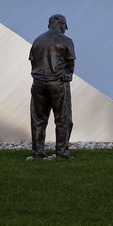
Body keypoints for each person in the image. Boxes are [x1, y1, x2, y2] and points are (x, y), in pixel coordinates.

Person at [29, 13, 75, 160]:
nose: (65, 30)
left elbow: (32, 61)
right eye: (64, 27)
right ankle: (61, 152)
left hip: (38, 83)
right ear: (61, 25)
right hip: (58, 84)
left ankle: (38, 152)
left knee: (38, 119)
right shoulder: (66, 41)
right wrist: (67, 75)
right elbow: (71, 64)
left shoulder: (38, 40)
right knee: (63, 118)